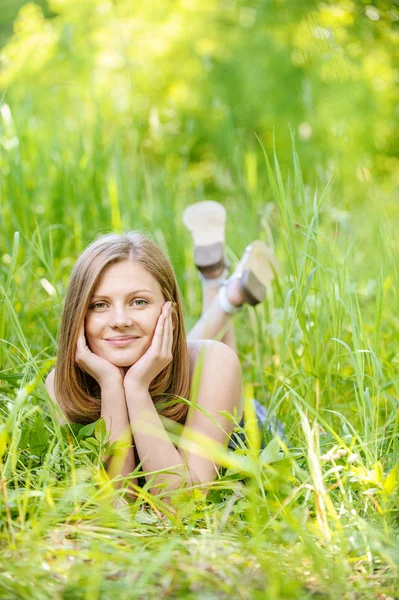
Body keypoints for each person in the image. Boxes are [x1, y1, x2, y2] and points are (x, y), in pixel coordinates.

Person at [45, 201, 278, 497]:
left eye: (138, 301)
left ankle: (221, 287)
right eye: (99, 305)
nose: (119, 320)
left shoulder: (214, 364)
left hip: (232, 422)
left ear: (170, 309)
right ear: (78, 316)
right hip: (182, 365)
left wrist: (138, 388)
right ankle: (226, 292)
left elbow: (181, 503)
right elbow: (119, 502)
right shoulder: (61, 385)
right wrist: (112, 387)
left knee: (206, 358)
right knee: (173, 346)